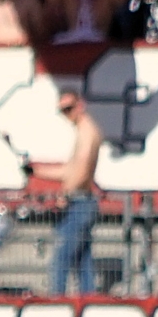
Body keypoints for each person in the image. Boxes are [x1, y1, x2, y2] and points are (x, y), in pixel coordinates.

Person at [31, 90, 105, 296]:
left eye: (69, 108)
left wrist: (65, 195)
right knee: (82, 259)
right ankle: (89, 301)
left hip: (80, 202)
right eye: (62, 111)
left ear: (80, 105)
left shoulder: (86, 132)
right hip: (84, 202)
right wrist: (36, 171)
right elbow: (70, 170)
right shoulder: (85, 131)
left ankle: (57, 302)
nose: (67, 114)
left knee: (61, 258)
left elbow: (80, 171)